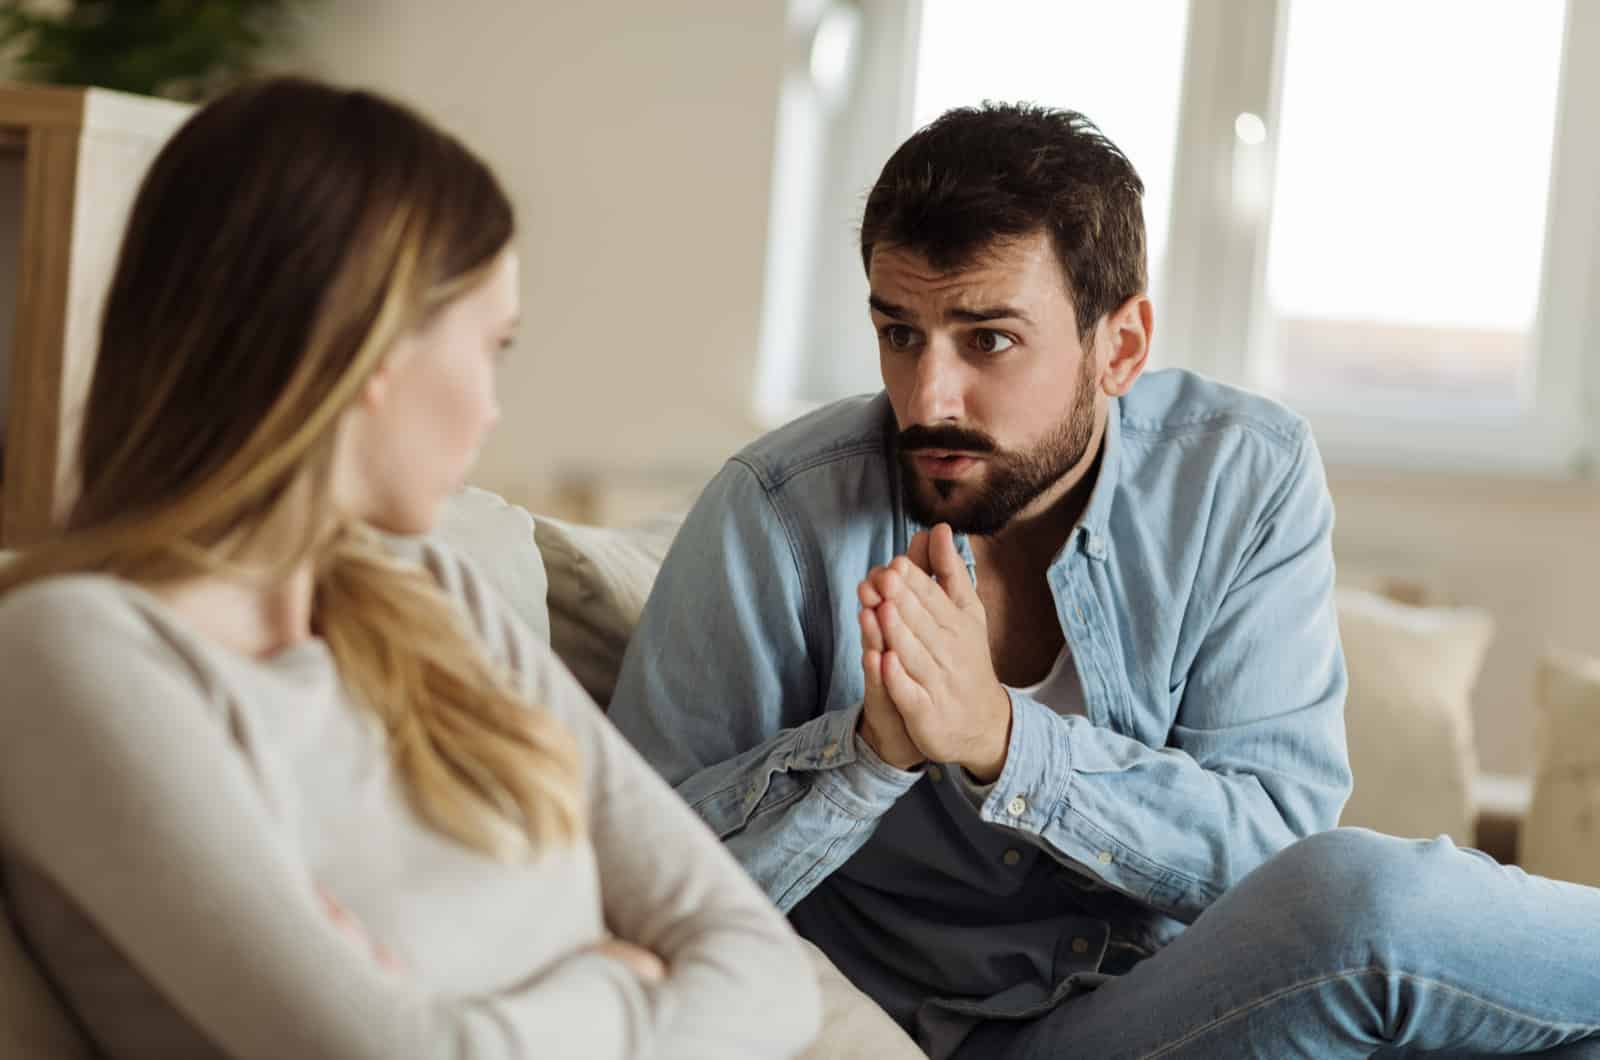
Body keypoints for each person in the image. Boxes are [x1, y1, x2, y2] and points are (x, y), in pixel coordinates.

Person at [607, 102, 1600, 1058]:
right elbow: (631, 890)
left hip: (1203, 1007)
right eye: (899, 331)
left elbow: (1265, 852)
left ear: (1118, 345)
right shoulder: (774, 516)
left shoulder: (1239, 476)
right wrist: (868, 756)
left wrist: (1006, 743)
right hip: (953, 1030)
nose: (926, 396)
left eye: (987, 338)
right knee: (1363, 903)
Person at [0, 76, 819, 1060]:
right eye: (491, 347)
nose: (491, 409)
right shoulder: (77, 651)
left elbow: (763, 966)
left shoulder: (439, 595)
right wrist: (620, 976)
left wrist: (492, 1022)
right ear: (368, 351)